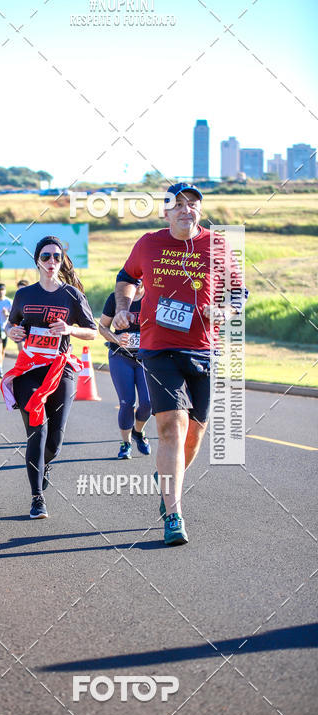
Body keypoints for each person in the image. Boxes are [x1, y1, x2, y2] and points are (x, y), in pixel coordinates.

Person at [113, 182, 244, 546]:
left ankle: (167, 478)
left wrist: (226, 310)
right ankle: (173, 514)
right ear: (166, 212)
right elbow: (126, 278)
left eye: (193, 204)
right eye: (179, 204)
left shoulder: (218, 245)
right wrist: (123, 308)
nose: (187, 209)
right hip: (159, 348)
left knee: (194, 435)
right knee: (172, 426)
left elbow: (238, 291)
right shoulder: (148, 243)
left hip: (203, 349)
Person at [3, 236, 97, 519]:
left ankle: (44, 465)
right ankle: (37, 498)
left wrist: (70, 329)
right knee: (38, 430)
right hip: (29, 369)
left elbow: (92, 332)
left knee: (54, 441)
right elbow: (11, 324)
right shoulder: (24, 295)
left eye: (56, 256)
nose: (51, 261)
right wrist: (11, 332)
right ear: (37, 261)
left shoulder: (72, 295)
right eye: (46, 256)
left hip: (60, 368)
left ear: (61, 261)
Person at [99, 283, 152, 459]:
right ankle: (126, 443)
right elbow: (102, 327)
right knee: (127, 402)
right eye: (133, 277)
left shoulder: (153, 297)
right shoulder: (115, 298)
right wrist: (116, 338)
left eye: (141, 276)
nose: (138, 281)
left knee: (148, 403)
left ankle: (138, 431)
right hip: (121, 357)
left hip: (146, 359)